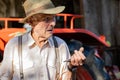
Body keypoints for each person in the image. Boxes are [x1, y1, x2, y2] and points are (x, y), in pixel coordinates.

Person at [0, 0, 86, 80]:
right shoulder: (14, 45)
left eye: (53, 18)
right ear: (31, 22)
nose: (53, 23)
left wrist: (72, 67)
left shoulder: (60, 45)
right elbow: (4, 77)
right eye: (47, 19)